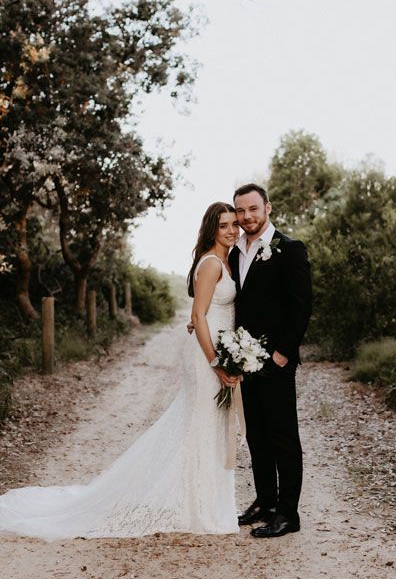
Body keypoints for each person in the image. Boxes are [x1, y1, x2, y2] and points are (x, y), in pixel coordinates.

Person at [0, 203, 241, 540]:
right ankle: (196, 505)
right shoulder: (212, 263)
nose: (231, 230)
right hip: (206, 357)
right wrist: (215, 360)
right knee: (202, 423)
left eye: (233, 225)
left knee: (207, 424)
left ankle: (203, 500)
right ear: (212, 229)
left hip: (215, 349)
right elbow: (200, 316)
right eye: (224, 225)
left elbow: (199, 313)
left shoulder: (227, 260)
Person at [231, 183, 312, 538]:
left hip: (275, 361)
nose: (246, 216)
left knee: (283, 436)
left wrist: (283, 354)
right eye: (240, 211)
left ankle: (288, 513)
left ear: (267, 208)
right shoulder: (235, 251)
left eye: (252, 209)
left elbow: (301, 306)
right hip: (244, 360)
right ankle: (265, 501)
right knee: (256, 435)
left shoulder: (289, 249)